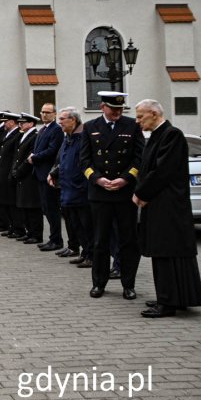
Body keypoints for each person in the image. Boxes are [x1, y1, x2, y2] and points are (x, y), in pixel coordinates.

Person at [132, 99, 201, 318]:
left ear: (154, 113)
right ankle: (174, 296)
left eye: (140, 116)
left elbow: (162, 171)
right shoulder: (158, 135)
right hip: (161, 204)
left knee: (165, 251)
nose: (137, 121)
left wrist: (141, 193)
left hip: (167, 205)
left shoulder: (171, 135)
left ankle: (168, 302)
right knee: (165, 252)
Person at [79, 91, 144, 300]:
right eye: (113, 108)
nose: (117, 112)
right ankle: (99, 283)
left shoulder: (132, 126)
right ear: (102, 107)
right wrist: (97, 179)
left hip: (125, 193)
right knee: (100, 241)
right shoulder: (90, 127)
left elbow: (139, 158)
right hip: (100, 193)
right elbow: (84, 160)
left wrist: (125, 178)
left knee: (128, 241)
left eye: (120, 109)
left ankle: (128, 284)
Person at [49, 107, 93, 266]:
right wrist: (54, 173)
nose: (59, 122)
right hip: (67, 189)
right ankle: (85, 252)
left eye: (62, 119)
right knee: (76, 225)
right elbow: (62, 160)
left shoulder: (82, 137)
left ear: (73, 120)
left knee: (86, 225)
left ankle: (91, 255)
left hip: (80, 190)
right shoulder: (68, 137)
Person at [30, 102, 64, 251]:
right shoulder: (43, 129)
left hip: (48, 174)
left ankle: (56, 240)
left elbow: (52, 151)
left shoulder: (56, 130)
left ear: (54, 114)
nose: (44, 114)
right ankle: (52, 238)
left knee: (52, 209)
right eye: (43, 112)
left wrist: (35, 157)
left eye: (48, 112)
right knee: (46, 208)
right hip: (40, 173)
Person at [11, 113, 42, 242]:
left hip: (29, 176)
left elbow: (29, 158)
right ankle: (29, 232)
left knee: (32, 207)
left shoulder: (34, 137)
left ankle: (36, 234)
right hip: (22, 176)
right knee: (25, 206)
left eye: (23, 123)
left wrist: (19, 171)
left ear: (31, 124)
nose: (20, 125)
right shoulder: (24, 136)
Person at [0, 112, 20, 234]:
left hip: (8, 173)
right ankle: (10, 226)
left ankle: (15, 227)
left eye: (6, 121)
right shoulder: (8, 134)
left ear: (12, 122)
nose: (4, 124)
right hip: (2, 172)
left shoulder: (17, 135)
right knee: (3, 201)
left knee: (10, 202)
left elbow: (14, 157)